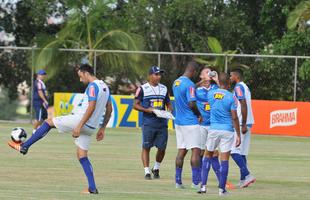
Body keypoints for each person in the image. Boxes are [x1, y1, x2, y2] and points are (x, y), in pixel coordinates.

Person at [8, 64, 113, 194]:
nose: (80, 80)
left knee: (48, 122)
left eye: (80, 76)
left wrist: (79, 126)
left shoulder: (93, 86)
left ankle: (24, 146)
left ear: (86, 73)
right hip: (92, 127)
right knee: (82, 156)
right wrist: (102, 128)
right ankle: (92, 188)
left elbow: (91, 107)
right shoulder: (105, 88)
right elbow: (109, 109)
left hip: (80, 121)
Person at [198, 73, 241, 196]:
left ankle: (203, 187)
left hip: (213, 129)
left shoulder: (210, 94)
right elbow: (234, 117)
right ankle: (222, 190)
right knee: (224, 159)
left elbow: (218, 93)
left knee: (207, 156)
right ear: (229, 83)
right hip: (227, 130)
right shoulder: (231, 97)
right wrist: (238, 134)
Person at [133, 66, 172, 180]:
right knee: (146, 147)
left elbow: (168, 103)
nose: (159, 76)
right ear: (150, 76)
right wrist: (147, 110)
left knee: (162, 148)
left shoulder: (164, 88)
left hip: (162, 123)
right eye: (156, 74)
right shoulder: (142, 88)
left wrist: (169, 110)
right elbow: (135, 105)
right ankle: (147, 171)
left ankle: (156, 167)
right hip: (148, 122)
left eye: (160, 74)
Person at [172, 61, 202, 189]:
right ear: (194, 71)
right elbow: (191, 104)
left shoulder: (176, 82)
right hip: (190, 122)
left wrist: (197, 85)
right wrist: (199, 114)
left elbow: (186, 91)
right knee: (196, 151)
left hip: (178, 122)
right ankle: (196, 183)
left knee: (181, 152)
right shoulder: (189, 85)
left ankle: (178, 182)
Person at [230, 68, 256, 188]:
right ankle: (243, 179)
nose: (230, 78)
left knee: (234, 151)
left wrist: (243, 123)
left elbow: (243, 103)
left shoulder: (238, 87)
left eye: (231, 76)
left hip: (241, 123)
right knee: (242, 153)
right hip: (248, 122)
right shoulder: (245, 86)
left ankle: (247, 174)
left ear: (236, 76)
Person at [195, 66, 220, 185]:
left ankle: (221, 179)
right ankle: (199, 178)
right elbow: (190, 91)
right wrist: (201, 82)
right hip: (201, 125)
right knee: (200, 152)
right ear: (200, 76)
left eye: (210, 72)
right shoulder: (197, 89)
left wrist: (217, 80)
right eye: (206, 72)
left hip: (213, 125)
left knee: (214, 152)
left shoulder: (216, 87)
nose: (209, 74)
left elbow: (224, 93)